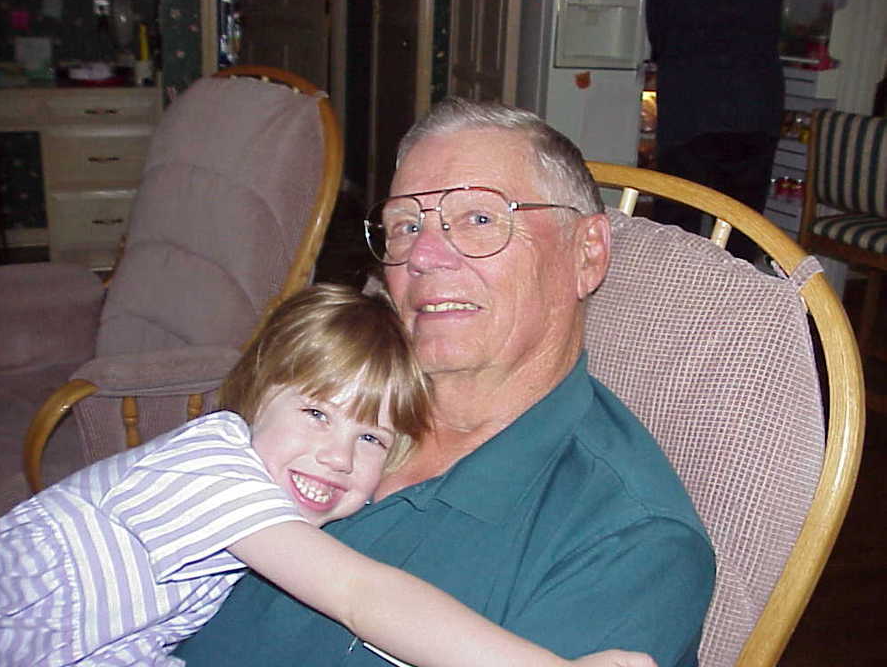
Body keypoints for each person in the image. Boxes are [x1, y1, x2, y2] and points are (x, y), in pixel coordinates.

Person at [174, 98, 716, 666]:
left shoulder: (631, 544)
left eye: (480, 219)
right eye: (406, 226)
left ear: (588, 253)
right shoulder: (318, 396)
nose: (424, 256)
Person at [0, 283, 654, 667]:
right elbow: (363, 595)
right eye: (315, 413)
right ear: (256, 392)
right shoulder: (211, 469)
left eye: (371, 437)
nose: (338, 455)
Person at [646, 0, 786, 262]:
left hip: (690, 97)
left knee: (678, 226)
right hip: (754, 97)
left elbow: (659, 32)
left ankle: (675, 287)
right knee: (741, 226)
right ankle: (732, 287)